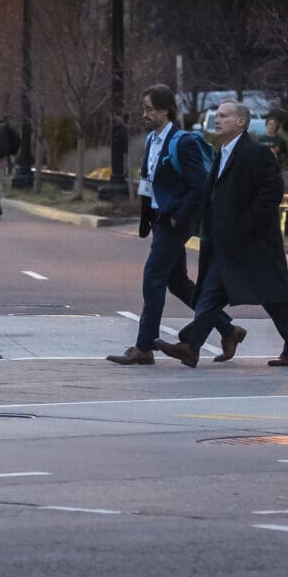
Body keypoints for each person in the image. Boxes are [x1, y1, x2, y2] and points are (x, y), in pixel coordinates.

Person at [157, 100, 288, 368]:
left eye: (224, 116)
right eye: (217, 115)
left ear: (241, 122)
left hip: (254, 242)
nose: (217, 120)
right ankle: (192, 346)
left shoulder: (256, 152)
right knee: (215, 291)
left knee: (273, 295)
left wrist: (245, 226)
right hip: (226, 241)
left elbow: (271, 194)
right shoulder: (223, 152)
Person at [109, 85, 241, 366]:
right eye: (144, 108)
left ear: (165, 109)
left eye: (149, 109)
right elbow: (149, 183)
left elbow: (199, 187)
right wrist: (147, 219)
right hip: (160, 220)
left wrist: (176, 218)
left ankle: (144, 347)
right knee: (178, 282)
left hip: (173, 221)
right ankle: (228, 329)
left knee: (153, 277)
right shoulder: (151, 140)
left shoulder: (182, 142)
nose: (144, 114)